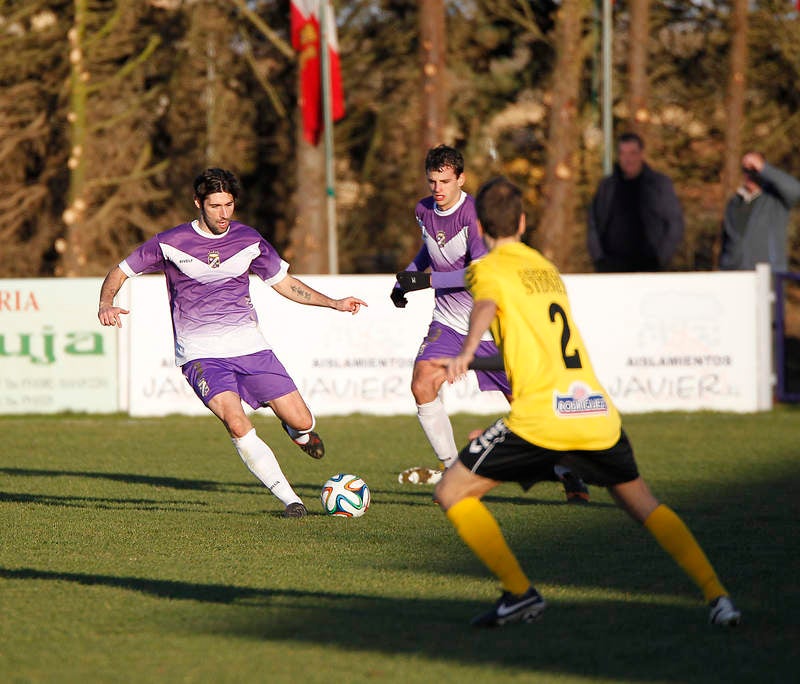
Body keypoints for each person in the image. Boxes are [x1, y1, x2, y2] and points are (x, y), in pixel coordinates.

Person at [432, 176, 741, 628]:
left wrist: (465, 350)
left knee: (451, 491)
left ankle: (519, 593)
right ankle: (719, 597)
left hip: (541, 418)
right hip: (592, 409)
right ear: (523, 221)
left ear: (478, 227)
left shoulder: (487, 268)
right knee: (644, 505)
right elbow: (532, 345)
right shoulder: (545, 268)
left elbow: (485, 306)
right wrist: (474, 364)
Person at [98, 168, 367, 518]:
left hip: (251, 348)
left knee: (302, 420)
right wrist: (105, 303)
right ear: (198, 204)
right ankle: (291, 500)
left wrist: (333, 302)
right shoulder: (169, 242)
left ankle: (296, 432)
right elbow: (119, 272)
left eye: (229, 205)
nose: (224, 214)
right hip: (200, 355)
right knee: (236, 422)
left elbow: (285, 284)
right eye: (215, 206)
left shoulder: (249, 239)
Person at [391, 145, 589, 503]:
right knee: (422, 383)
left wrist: (427, 282)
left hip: (492, 325)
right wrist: (406, 278)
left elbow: (481, 275)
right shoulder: (423, 209)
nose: (438, 188)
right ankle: (454, 470)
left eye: (445, 181)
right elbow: (427, 250)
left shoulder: (474, 215)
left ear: (461, 180)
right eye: (433, 181)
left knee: (527, 404)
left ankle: (568, 469)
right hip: (448, 323)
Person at [588, 132, 684, 272]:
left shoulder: (659, 185)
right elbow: (593, 224)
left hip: (649, 266)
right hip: (611, 267)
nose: (628, 159)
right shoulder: (606, 187)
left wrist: (661, 258)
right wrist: (598, 259)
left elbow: (675, 223)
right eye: (623, 153)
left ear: (641, 154)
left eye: (633, 153)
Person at [718, 152, 800, 272]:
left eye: (754, 170)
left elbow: (795, 190)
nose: (750, 175)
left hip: (768, 273)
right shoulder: (734, 202)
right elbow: (726, 241)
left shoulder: (775, 199)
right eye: (746, 170)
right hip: (734, 273)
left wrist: (763, 168)